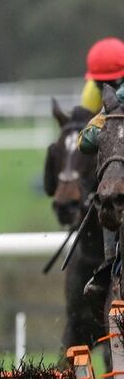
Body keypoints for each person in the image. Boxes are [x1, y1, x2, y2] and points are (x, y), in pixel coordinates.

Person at [77, 37, 124, 300]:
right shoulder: (90, 96)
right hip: (114, 152)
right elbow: (84, 141)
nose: (108, 87)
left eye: (116, 82)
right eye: (101, 83)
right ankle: (109, 264)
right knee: (108, 191)